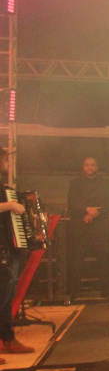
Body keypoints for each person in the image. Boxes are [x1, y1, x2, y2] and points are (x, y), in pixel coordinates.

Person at [66, 156, 109, 300]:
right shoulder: (74, 183)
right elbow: (71, 203)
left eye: (93, 165)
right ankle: (74, 290)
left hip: (100, 227)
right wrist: (86, 209)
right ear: (83, 167)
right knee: (76, 258)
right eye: (87, 165)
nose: (90, 167)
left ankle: (106, 290)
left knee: (104, 258)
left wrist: (95, 213)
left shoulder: (106, 183)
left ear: (97, 167)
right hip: (79, 226)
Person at [0, 148, 32, 360]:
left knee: (7, 295)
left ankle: (7, 338)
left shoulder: (3, 188)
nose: (7, 162)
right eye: (4, 158)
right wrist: (10, 205)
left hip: (7, 246)